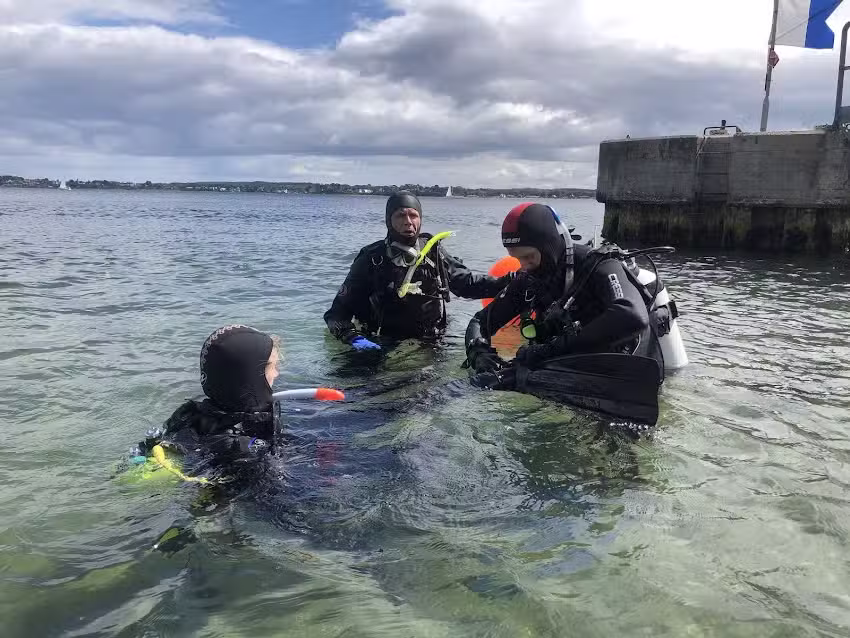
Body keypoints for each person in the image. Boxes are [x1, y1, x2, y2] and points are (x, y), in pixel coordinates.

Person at [464, 202, 666, 377]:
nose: (523, 265)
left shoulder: (599, 265)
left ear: (547, 245)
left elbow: (632, 316)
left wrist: (549, 350)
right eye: (517, 258)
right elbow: (480, 321)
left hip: (622, 360)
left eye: (528, 256)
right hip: (566, 365)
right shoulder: (528, 281)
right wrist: (479, 352)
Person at [323, 191, 513, 349]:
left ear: (420, 219)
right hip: (383, 342)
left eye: (413, 215)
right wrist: (352, 338)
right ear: (388, 220)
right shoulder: (372, 258)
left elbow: (467, 285)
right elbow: (336, 314)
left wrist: (510, 281)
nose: (408, 222)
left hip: (431, 341)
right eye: (400, 215)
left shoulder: (433, 252)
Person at [133, 324, 282, 481]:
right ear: (250, 376)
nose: (277, 373)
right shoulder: (242, 449)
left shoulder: (190, 415)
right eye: (271, 366)